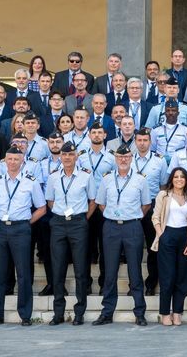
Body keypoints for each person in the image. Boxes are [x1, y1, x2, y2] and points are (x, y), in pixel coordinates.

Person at [0, 146, 47, 326]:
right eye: (9, 159)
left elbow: (42, 208)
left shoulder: (30, 181)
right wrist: (3, 219)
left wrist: (26, 222)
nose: (12, 162)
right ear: (5, 161)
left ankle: (25, 315)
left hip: (21, 229)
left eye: (16, 159)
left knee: (23, 273)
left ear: (22, 161)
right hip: (0, 229)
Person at [92, 144, 152, 326]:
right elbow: (101, 203)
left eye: (126, 157)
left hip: (132, 227)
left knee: (135, 271)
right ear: (115, 159)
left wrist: (131, 216)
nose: (123, 160)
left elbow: (146, 205)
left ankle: (139, 312)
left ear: (131, 158)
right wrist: (113, 215)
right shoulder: (107, 179)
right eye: (120, 157)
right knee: (110, 272)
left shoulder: (140, 180)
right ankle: (107, 312)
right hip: (111, 227)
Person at [44, 141, 95, 325]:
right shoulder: (53, 177)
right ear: (60, 156)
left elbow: (92, 201)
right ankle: (58, 313)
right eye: (64, 154)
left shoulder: (86, 176)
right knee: (58, 270)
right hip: (58, 223)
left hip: (78, 223)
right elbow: (50, 201)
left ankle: (79, 312)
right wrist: (61, 214)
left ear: (76, 156)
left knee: (80, 270)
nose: (67, 158)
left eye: (71, 154)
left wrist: (81, 219)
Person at [152, 167, 187, 326]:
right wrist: (161, 235)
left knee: (182, 278)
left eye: (182, 177)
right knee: (167, 277)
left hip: (184, 237)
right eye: (176, 177)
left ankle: (177, 312)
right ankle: (164, 313)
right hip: (167, 235)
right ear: (171, 179)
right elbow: (155, 217)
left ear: (186, 180)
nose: (179, 179)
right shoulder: (163, 195)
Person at [76, 122, 115, 293]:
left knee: (106, 247)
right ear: (89, 135)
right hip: (87, 205)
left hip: (105, 206)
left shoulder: (112, 157)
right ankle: (85, 283)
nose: (97, 135)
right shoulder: (81, 156)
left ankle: (104, 283)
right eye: (94, 132)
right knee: (84, 247)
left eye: (100, 132)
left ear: (105, 135)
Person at [133, 128, 168, 296]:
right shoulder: (128, 159)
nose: (142, 143)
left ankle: (151, 283)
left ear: (150, 142)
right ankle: (134, 284)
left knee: (153, 247)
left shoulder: (159, 161)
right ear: (135, 142)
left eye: (145, 140)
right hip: (132, 206)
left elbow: (163, 186)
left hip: (153, 206)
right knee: (133, 248)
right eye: (139, 140)